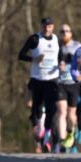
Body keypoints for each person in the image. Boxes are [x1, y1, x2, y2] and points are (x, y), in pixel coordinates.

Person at [18, 17, 61, 153]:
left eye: (49, 26)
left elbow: (59, 56)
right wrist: (34, 59)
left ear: (52, 27)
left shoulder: (56, 39)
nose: (46, 29)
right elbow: (21, 55)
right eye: (44, 26)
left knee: (51, 110)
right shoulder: (34, 39)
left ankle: (47, 139)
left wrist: (61, 64)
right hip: (37, 79)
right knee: (36, 110)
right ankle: (39, 130)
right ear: (41, 26)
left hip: (52, 80)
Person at [56, 23, 81, 152]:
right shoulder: (56, 46)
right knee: (61, 111)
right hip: (60, 83)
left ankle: (71, 133)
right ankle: (61, 140)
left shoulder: (77, 46)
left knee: (71, 115)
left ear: (71, 33)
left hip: (73, 84)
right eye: (62, 31)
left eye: (67, 31)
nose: (64, 33)